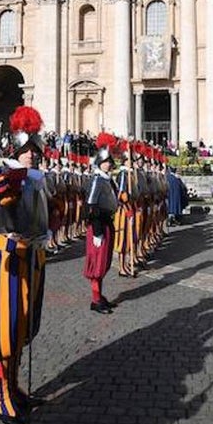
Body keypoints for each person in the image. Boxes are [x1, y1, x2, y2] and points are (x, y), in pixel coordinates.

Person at [0, 105, 49, 424]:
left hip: (32, 256)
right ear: (17, 149)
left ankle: (13, 386)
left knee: (21, 327)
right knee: (5, 328)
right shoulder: (4, 172)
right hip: (9, 256)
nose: (32, 155)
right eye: (27, 150)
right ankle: (1, 395)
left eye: (35, 150)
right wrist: (3, 181)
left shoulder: (38, 179)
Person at [83, 132, 119, 314]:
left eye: (109, 162)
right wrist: (96, 231)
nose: (108, 164)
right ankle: (96, 299)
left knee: (104, 262)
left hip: (107, 223)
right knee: (97, 263)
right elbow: (91, 205)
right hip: (99, 225)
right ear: (99, 163)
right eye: (105, 162)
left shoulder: (107, 179)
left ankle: (100, 295)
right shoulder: (97, 180)